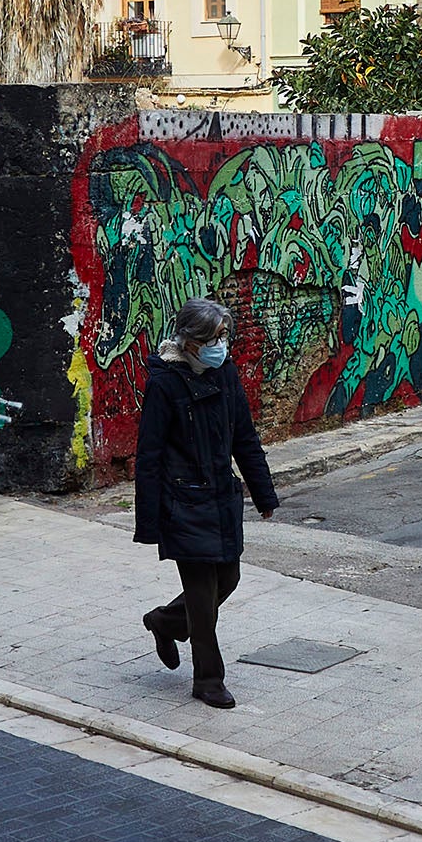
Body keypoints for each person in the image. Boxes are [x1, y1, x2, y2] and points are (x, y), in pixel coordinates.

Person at [133, 296, 279, 708]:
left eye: (225, 336)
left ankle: (163, 621)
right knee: (202, 600)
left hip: (221, 500)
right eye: (215, 337)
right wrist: (150, 523)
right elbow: (149, 455)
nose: (223, 344)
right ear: (192, 343)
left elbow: (245, 439)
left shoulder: (226, 374)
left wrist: (263, 493)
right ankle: (209, 681)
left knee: (227, 581)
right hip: (184, 503)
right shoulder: (165, 383)